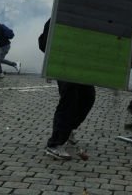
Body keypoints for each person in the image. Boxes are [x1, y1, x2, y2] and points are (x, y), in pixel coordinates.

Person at [40, 19, 96, 161]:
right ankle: (54, 144)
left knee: (88, 97)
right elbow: (44, 43)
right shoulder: (57, 17)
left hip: (81, 66)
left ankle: (68, 128)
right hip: (64, 65)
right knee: (69, 101)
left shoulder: (89, 18)